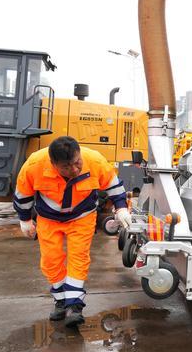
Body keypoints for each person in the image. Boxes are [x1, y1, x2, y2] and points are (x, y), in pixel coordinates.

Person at [13, 136, 132, 327]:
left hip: (82, 216)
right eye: (67, 167)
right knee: (51, 259)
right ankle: (61, 301)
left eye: (77, 163)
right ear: (53, 164)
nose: (75, 170)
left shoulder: (94, 160)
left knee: (79, 256)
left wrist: (121, 208)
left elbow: (113, 185)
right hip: (48, 219)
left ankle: (74, 306)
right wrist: (25, 219)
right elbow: (23, 194)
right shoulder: (34, 165)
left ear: (79, 154)